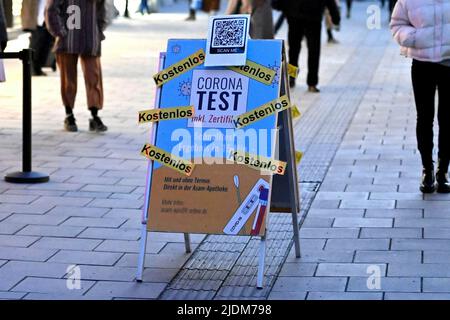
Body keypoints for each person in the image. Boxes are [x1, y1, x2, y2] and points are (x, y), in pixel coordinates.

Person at [390, 0, 450, 193]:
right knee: (424, 117)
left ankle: (443, 171)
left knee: (447, 118)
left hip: (449, 63)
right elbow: (397, 24)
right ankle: (427, 169)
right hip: (422, 64)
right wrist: (415, 37)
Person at [46, 0, 108, 133]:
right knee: (68, 79)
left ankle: (94, 115)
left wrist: (98, 31)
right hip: (68, 40)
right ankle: (69, 115)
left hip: (90, 39)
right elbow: (51, 10)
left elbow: (102, 10)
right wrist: (60, 32)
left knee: (94, 77)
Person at [284, 0, 340, 92]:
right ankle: (298, 79)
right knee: (298, 50)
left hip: (307, 15)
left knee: (301, 50)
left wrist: (334, 14)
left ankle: (306, 81)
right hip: (301, 14)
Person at [22, 0, 54, 76]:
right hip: (37, 20)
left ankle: (38, 68)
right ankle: (32, 69)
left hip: (49, 19)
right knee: (36, 44)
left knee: (46, 44)